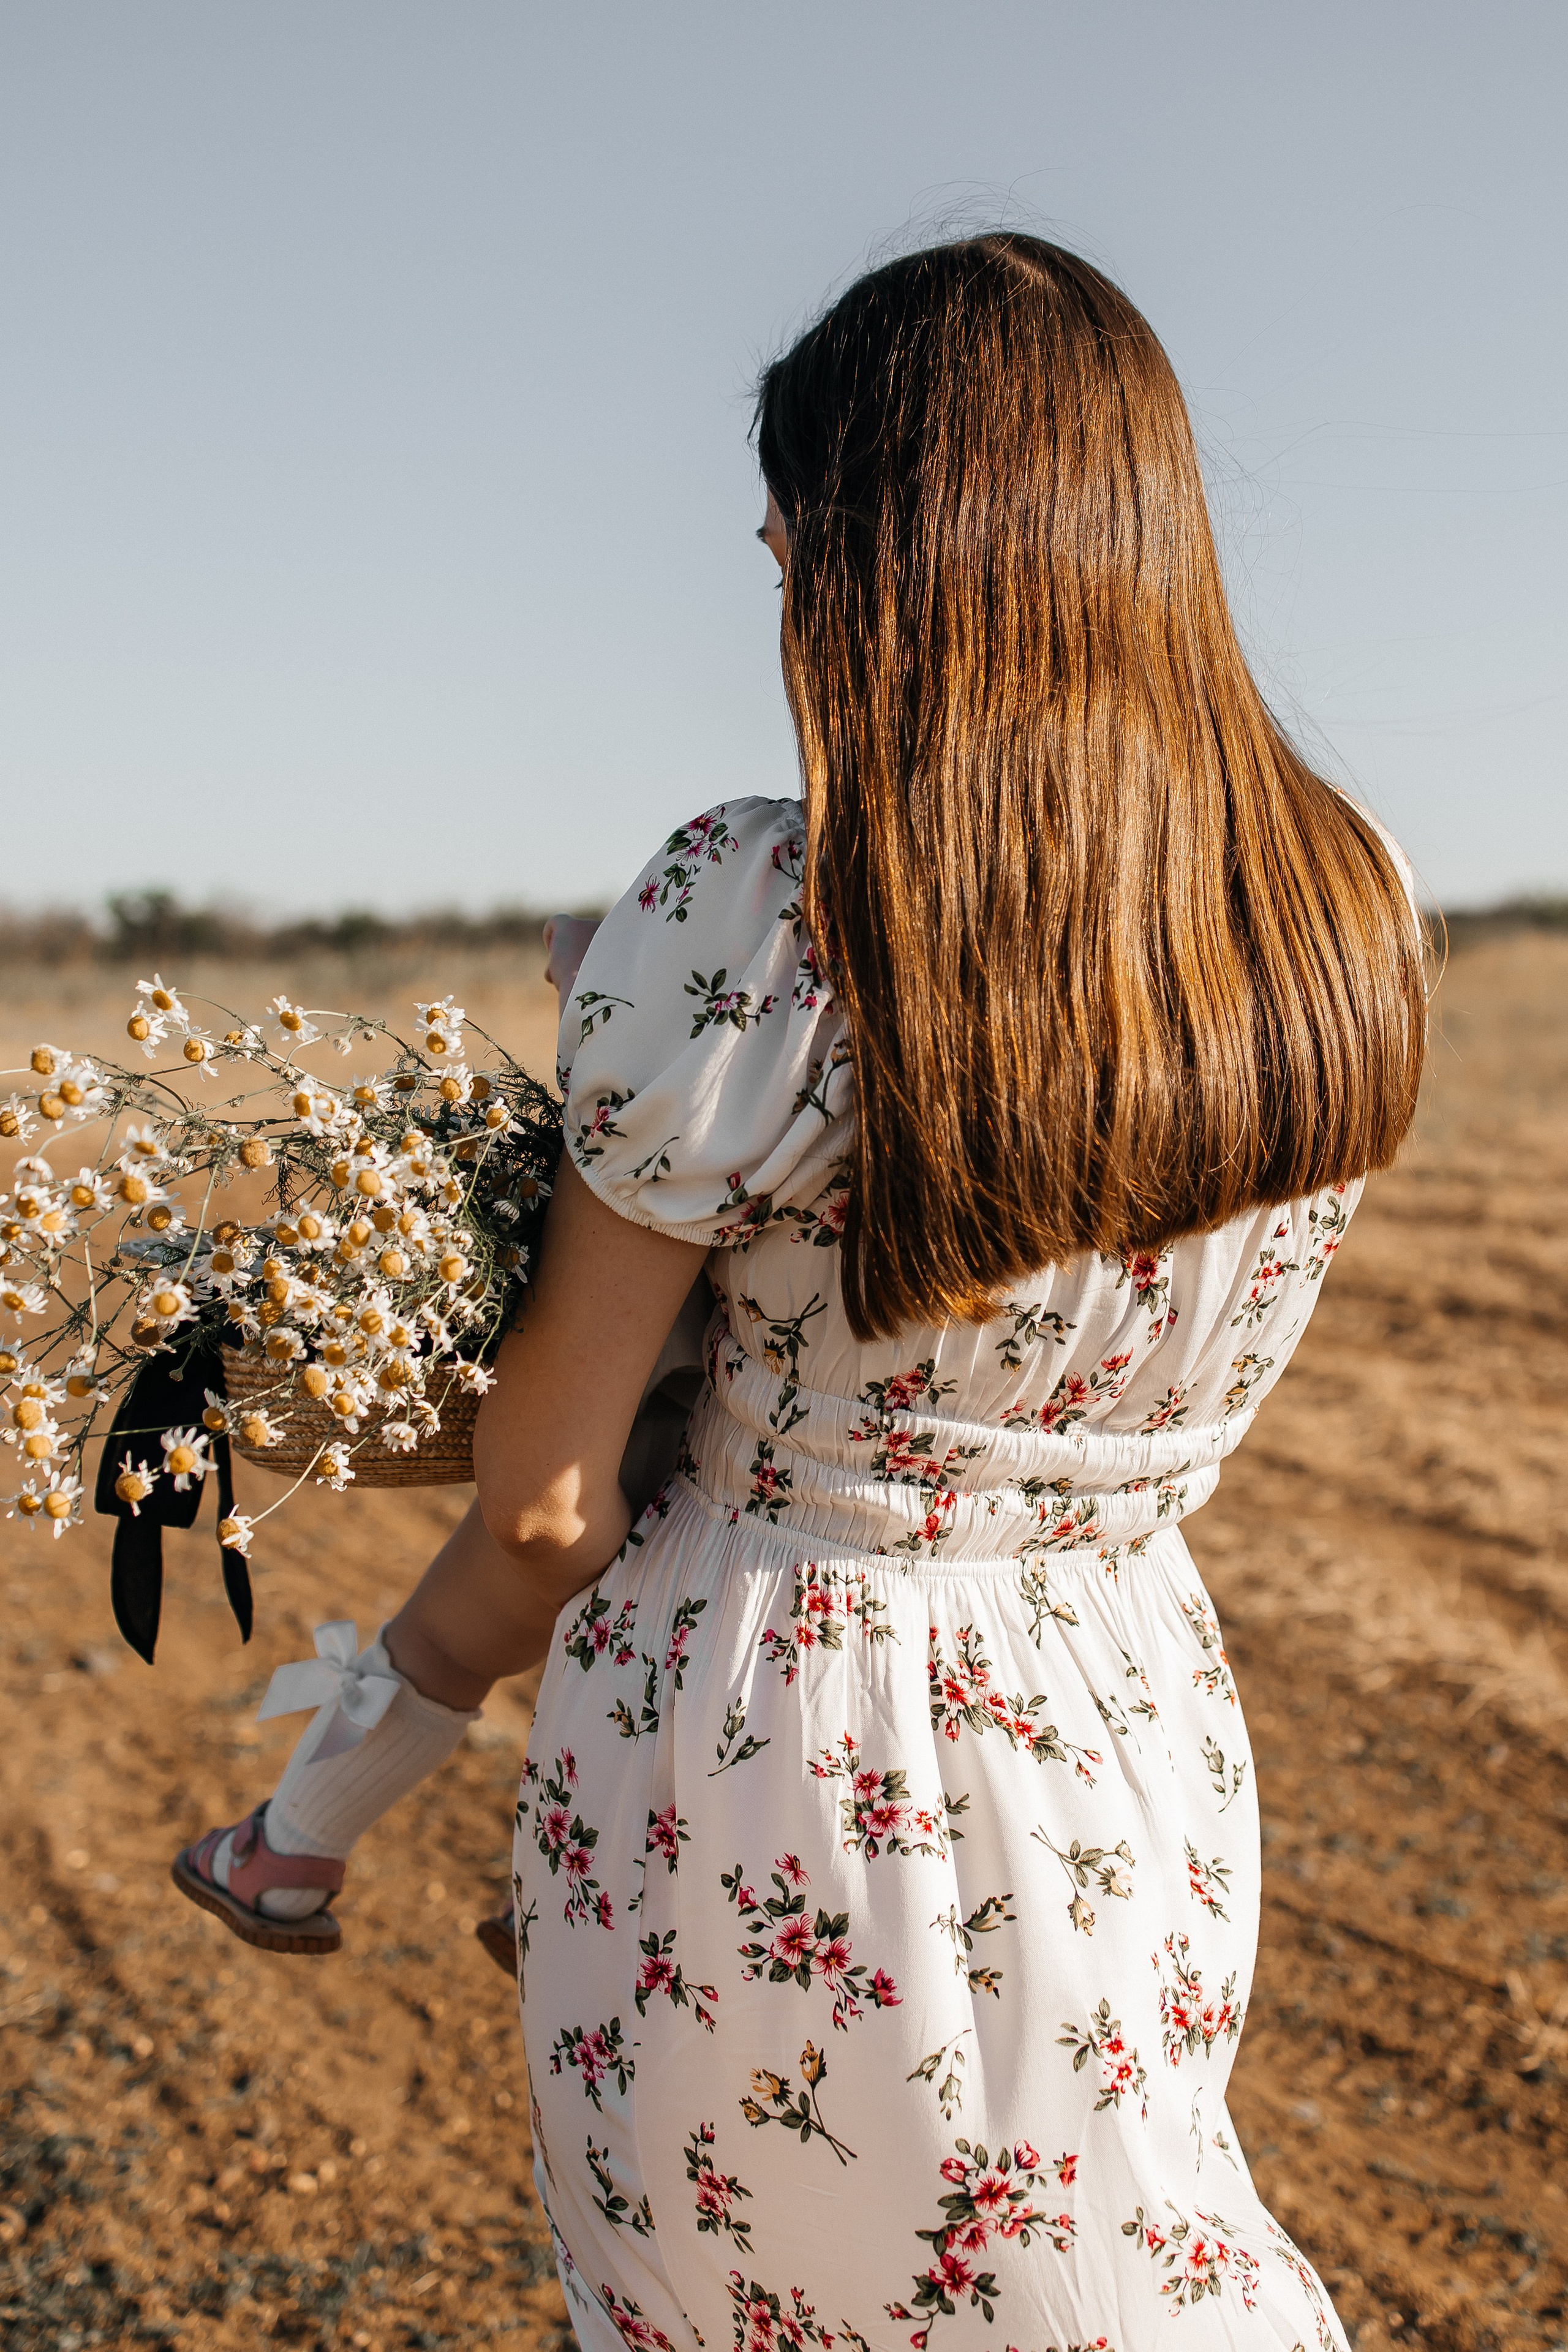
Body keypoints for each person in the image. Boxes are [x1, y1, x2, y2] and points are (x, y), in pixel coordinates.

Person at [178, 236, 1425, 2349]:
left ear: (885, 567)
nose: (787, 625)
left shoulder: (762, 906)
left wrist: (324, 1799)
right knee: (1104, 2252)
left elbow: (549, 1501)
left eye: (791, 566)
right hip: (1124, 1721)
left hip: (778, 1737)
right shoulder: (1338, 903)